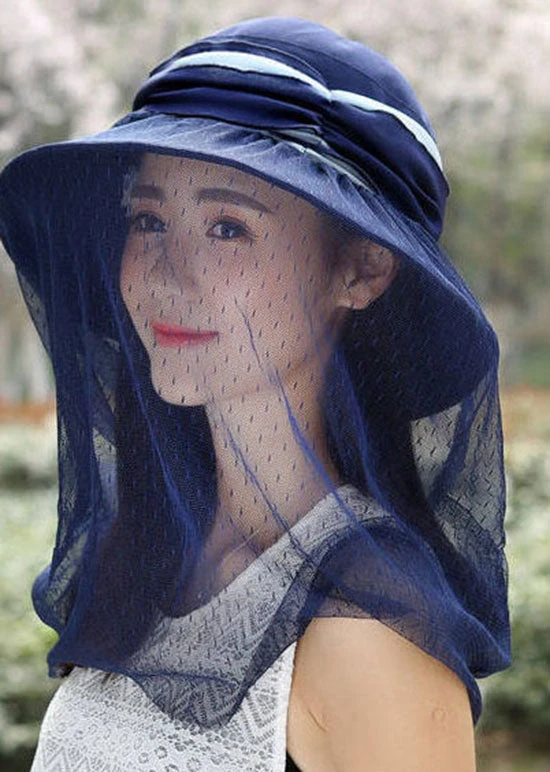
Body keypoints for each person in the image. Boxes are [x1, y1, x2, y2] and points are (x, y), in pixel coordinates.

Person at [0, 17, 510, 771]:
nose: (167, 273)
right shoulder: (145, 560)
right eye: (148, 219)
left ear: (361, 269)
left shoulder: (372, 633)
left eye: (228, 228)